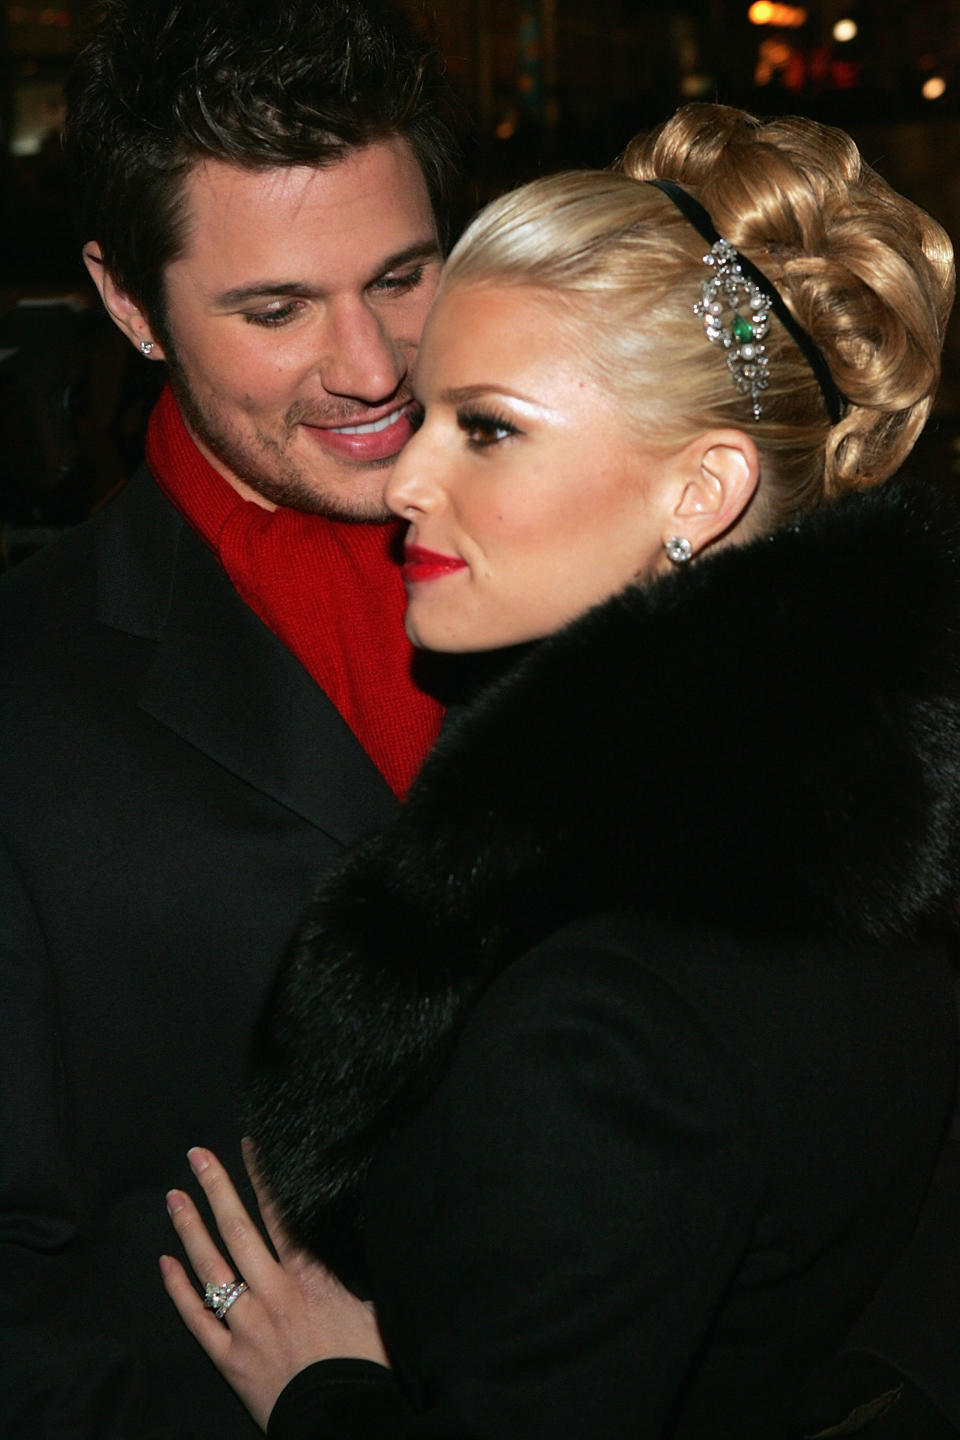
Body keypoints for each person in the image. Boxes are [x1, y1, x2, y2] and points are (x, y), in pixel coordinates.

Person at [163, 103, 960, 1437]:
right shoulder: (851, 846)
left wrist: (337, 1392)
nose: (403, 479)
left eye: (488, 430)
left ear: (696, 495)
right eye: (428, 416)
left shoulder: (604, 1028)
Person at [0, 1, 458, 1436]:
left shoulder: (617, 583)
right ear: (129, 303)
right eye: (275, 310)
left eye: (403, 275)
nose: (373, 368)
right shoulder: (23, 698)